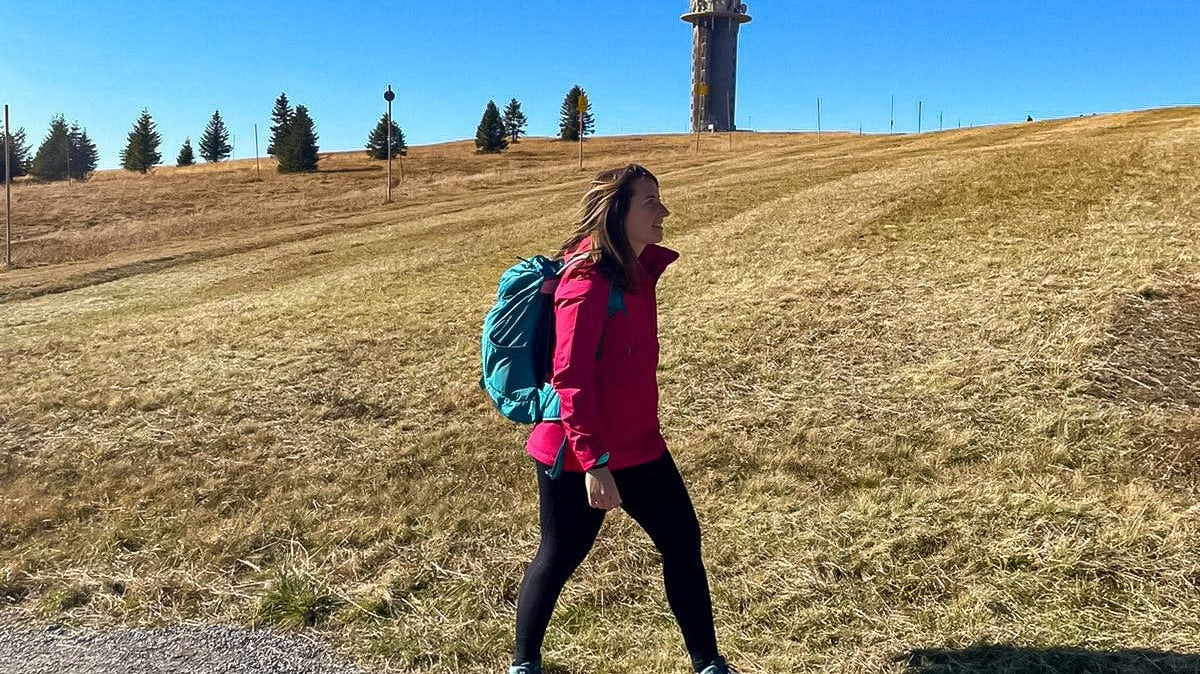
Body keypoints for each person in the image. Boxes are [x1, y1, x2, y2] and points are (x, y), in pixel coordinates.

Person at [509, 165, 734, 674]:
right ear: (619, 213)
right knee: (561, 555)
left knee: (682, 543)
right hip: (579, 451)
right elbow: (570, 378)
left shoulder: (633, 274)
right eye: (650, 201)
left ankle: (708, 664)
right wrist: (594, 463)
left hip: (640, 445)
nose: (663, 211)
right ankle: (524, 665)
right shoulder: (587, 283)